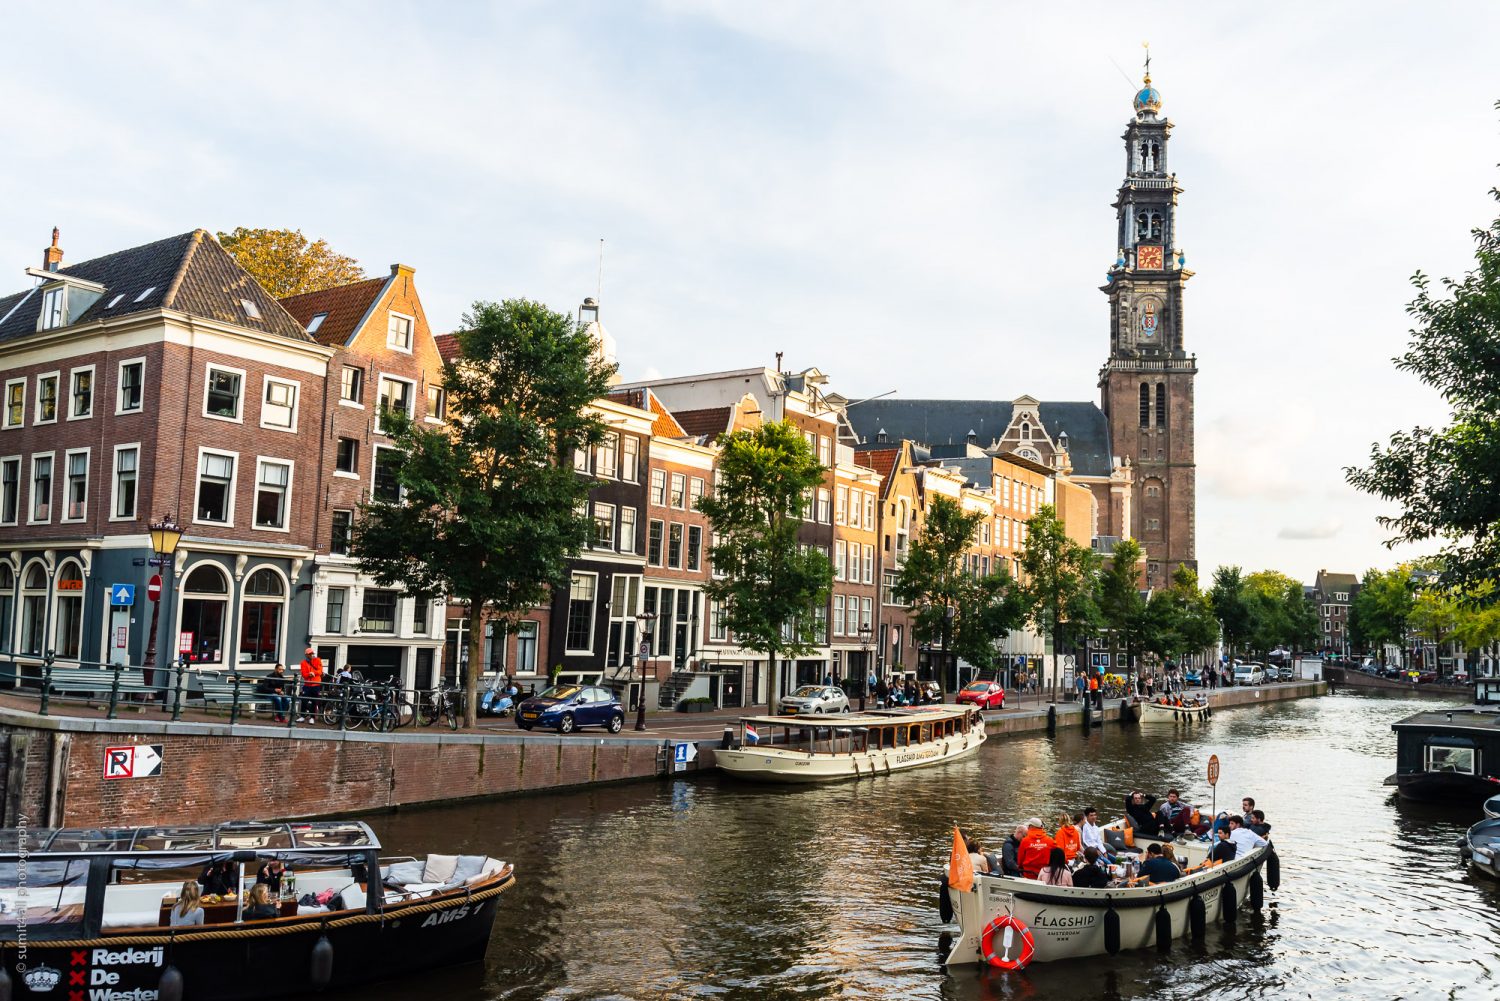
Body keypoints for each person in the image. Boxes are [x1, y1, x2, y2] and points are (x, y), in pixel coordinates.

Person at [297, 647, 323, 723]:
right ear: (306, 655)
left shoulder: (317, 660)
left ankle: (312, 717)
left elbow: (320, 671)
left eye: (312, 653)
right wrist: (309, 674)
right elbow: (304, 674)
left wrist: (313, 673)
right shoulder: (303, 663)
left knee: (314, 701)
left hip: (316, 684)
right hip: (307, 684)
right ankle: (302, 716)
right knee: (304, 700)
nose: (312, 655)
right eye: (310, 654)